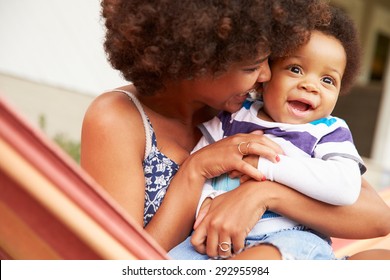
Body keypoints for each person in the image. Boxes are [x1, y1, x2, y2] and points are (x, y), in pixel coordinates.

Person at [81, 0, 390, 260]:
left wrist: (264, 194)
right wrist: (196, 170)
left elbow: (375, 216)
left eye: (268, 60)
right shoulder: (119, 119)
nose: (267, 75)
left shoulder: (252, 110)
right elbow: (122, 261)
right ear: (197, 59)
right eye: (251, 66)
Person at [169, 6, 369, 260]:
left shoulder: (328, 131)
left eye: (328, 80)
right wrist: (206, 202)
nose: (310, 85)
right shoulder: (234, 116)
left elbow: (345, 187)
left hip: (291, 235)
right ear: (265, 78)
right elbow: (201, 162)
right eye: (296, 69)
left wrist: (268, 166)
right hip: (217, 235)